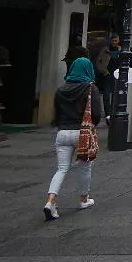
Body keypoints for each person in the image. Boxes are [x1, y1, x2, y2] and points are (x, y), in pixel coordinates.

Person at [44, 57, 101, 220]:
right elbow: (96, 114)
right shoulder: (90, 89)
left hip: (62, 132)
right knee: (85, 166)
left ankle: (50, 201)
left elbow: (56, 112)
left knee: (61, 168)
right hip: (81, 133)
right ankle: (84, 199)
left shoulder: (61, 89)